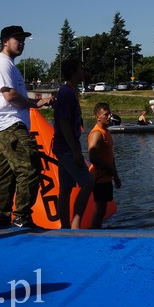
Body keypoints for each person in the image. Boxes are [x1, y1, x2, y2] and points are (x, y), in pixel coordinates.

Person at [0, 25, 54, 230]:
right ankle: (22, 217)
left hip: (5, 125)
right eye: (17, 39)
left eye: (23, 39)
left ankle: (1, 219)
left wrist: (39, 100)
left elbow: (15, 95)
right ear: (5, 41)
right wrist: (34, 104)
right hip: (10, 124)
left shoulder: (8, 65)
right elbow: (11, 97)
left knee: (5, 174)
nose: (21, 43)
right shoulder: (2, 64)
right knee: (31, 169)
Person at [53, 59, 94, 229]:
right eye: (80, 68)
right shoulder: (67, 93)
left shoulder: (69, 91)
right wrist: (76, 151)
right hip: (67, 147)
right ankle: (75, 223)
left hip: (63, 146)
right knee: (88, 183)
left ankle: (64, 226)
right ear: (74, 72)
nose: (83, 71)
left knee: (66, 188)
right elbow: (63, 123)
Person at [87, 102, 121, 229]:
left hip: (107, 176)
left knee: (103, 209)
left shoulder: (106, 132)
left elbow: (110, 156)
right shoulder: (97, 133)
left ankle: (97, 230)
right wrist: (108, 168)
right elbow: (92, 156)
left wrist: (115, 175)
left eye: (109, 113)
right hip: (99, 177)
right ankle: (94, 234)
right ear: (98, 117)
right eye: (106, 114)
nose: (109, 116)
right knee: (100, 209)